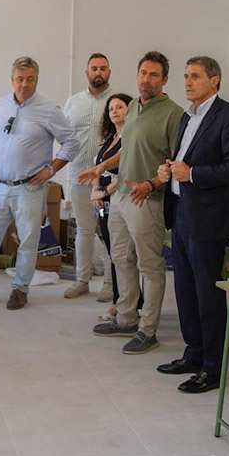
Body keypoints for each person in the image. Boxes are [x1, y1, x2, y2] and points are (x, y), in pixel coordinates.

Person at [0, 56, 78, 310]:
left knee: (28, 242)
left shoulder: (48, 109)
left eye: (30, 79)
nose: (24, 84)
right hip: (0, 186)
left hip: (29, 188)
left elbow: (72, 141)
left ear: (37, 80)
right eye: (20, 79)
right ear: (12, 80)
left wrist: (51, 169)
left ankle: (20, 289)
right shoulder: (0, 105)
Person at [157, 55, 229, 393]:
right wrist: (169, 171)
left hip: (209, 219)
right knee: (183, 289)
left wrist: (192, 174)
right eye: (185, 76)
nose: (188, 82)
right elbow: (185, 161)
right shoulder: (187, 117)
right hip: (183, 213)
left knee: (207, 293)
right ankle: (193, 354)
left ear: (215, 81)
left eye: (195, 76)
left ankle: (213, 367)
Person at [80, 51, 183, 355]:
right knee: (120, 258)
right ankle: (126, 317)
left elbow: (177, 161)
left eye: (153, 75)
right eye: (142, 73)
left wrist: (153, 183)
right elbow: (127, 149)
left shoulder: (174, 114)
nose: (146, 79)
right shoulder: (135, 106)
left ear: (164, 79)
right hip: (122, 196)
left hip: (147, 199)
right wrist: (101, 167)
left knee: (149, 266)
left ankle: (148, 329)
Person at [62, 53, 116, 300]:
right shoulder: (73, 102)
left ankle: (109, 284)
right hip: (80, 178)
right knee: (84, 229)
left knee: (108, 231)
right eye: (94, 68)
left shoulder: (118, 102)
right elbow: (64, 137)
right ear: (86, 73)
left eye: (103, 68)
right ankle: (82, 280)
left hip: (108, 181)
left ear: (109, 72)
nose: (98, 72)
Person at [88, 93, 142, 321]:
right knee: (112, 251)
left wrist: (105, 191)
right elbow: (96, 167)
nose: (114, 111)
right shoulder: (109, 139)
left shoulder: (131, 138)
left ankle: (125, 304)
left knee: (123, 255)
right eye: (111, 109)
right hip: (102, 202)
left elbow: (127, 171)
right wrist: (94, 191)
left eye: (119, 107)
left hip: (121, 199)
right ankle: (120, 300)